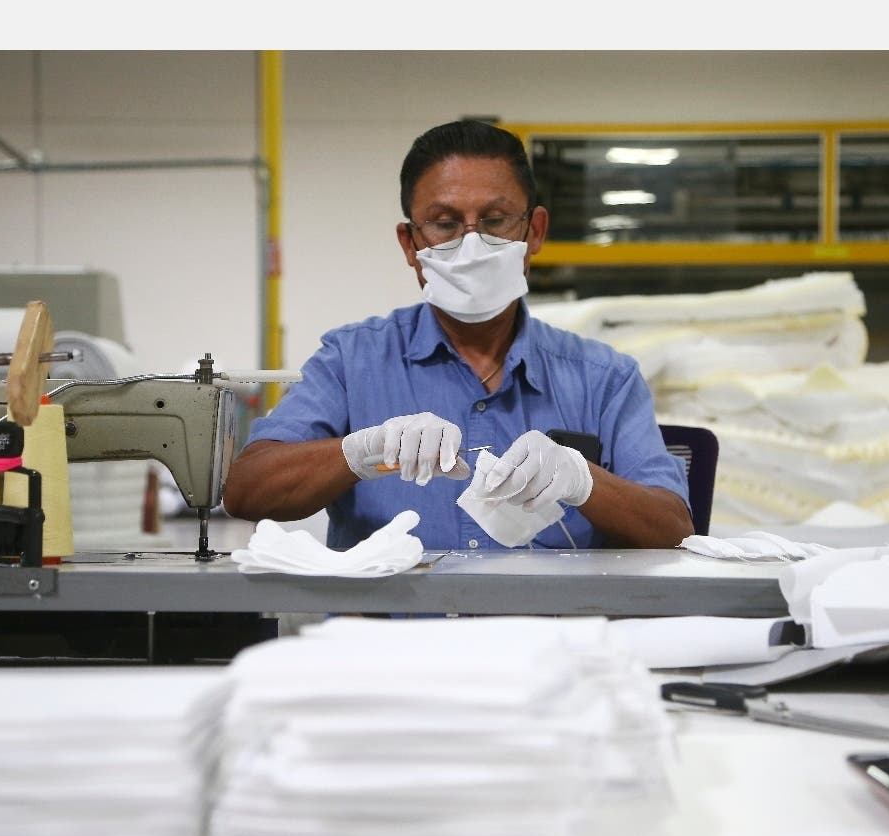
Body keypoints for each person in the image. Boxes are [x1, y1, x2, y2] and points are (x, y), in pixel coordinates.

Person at [222, 119, 693, 550]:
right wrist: (359, 452)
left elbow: (673, 527)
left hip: (546, 637)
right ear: (410, 243)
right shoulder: (352, 360)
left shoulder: (604, 378)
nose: (471, 245)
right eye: (445, 224)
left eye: (494, 220)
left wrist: (581, 480)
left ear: (535, 231)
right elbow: (246, 491)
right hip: (388, 639)